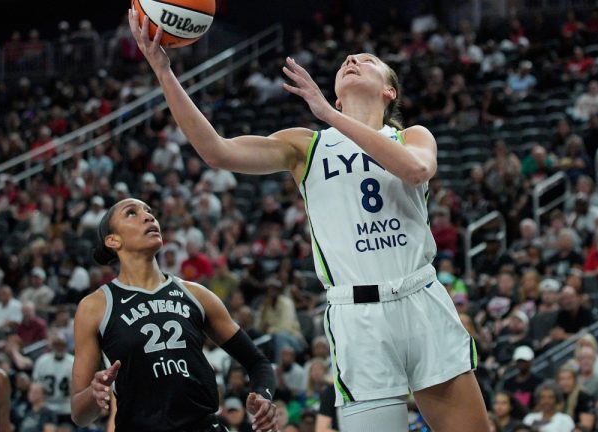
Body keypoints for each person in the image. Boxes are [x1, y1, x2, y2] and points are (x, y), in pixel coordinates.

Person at [128, 9, 487, 432]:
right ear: (336, 95)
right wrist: (163, 71)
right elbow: (217, 152)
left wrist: (330, 115)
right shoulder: (306, 145)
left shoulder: (411, 136)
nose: (352, 60)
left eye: (367, 60)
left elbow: (414, 170)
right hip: (357, 314)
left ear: (389, 91)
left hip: (420, 296)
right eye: (346, 61)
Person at [70, 198, 277, 432]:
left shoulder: (196, 294)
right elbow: (79, 413)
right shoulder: (95, 306)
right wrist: (93, 393)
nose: (148, 216)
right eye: (131, 213)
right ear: (113, 240)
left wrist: (263, 396)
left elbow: (258, 362)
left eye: (149, 211)